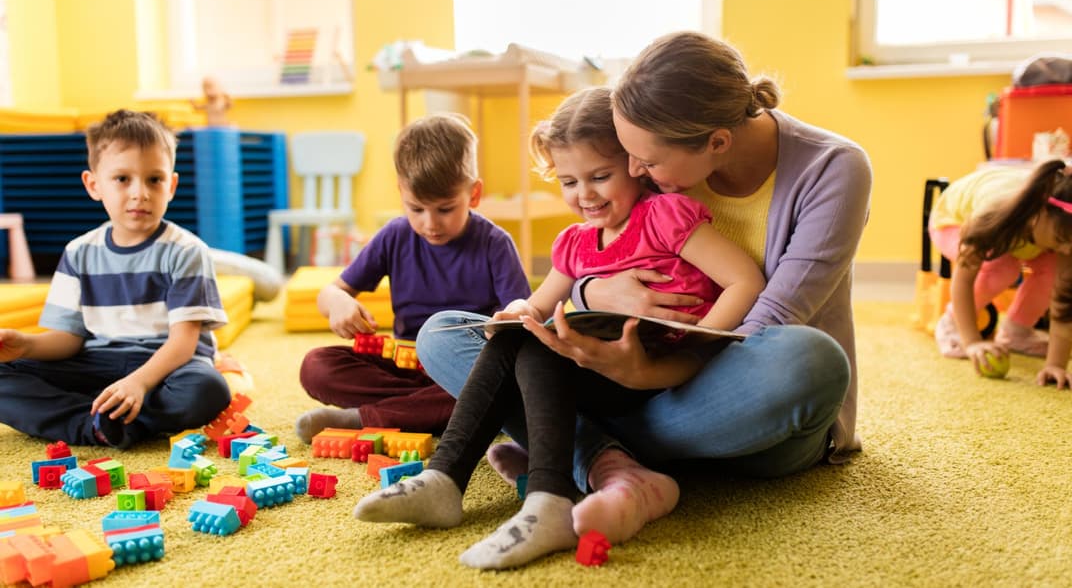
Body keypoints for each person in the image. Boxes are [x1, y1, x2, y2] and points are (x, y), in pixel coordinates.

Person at [416, 31, 872, 546]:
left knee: (810, 361)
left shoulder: (833, 169)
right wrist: (591, 297)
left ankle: (570, 442)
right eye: (628, 157)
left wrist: (647, 374)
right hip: (624, 377)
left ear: (717, 142)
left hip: (737, 399)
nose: (636, 172)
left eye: (647, 164)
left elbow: (768, 319)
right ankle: (614, 464)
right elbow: (603, 249)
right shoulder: (654, 150)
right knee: (443, 333)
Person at [354, 86, 766, 570]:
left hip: (653, 370)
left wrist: (695, 348)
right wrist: (513, 310)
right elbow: (535, 304)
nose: (584, 195)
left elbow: (744, 279)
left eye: (600, 176)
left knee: (538, 344)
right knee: (504, 334)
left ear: (635, 164)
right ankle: (445, 479)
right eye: (569, 182)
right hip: (591, 374)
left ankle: (550, 496)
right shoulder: (574, 243)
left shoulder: (663, 216)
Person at [0, 109, 231, 449]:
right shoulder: (79, 252)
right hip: (98, 361)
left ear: (172, 185)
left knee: (206, 389)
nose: (140, 193)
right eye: (122, 179)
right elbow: (69, 339)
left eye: (154, 179)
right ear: (93, 185)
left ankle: (115, 419)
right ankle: (93, 422)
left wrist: (138, 382)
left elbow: (183, 343)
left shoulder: (186, 250)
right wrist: (27, 344)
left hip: (167, 366)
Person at [294, 113, 530, 443]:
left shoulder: (495, 243)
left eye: (445, 209)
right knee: (316, 365)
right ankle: (419, 409)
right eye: (416, 208)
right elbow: (331, 291)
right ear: (400, 191)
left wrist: (512, 318)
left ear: (474, 194)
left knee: (500, 385)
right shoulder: (394, 235)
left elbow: (521, 319)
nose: (430, 223)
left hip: (463, 369)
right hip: (404, 366)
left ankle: (365, 419)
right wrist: (338, 302)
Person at [930, 160, 1072, 381]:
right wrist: (972, 342)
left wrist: (1056, 365)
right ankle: (950, 323)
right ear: (1040, 212)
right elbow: (964, 279)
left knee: (1056, 270)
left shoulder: (1061, 232)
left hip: (1023, 233)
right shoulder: (992, 213)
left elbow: (1064, 297)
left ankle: (1017, 331)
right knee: (1002, 268)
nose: (1066, 249)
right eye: (1062, 240)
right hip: (953, 222)